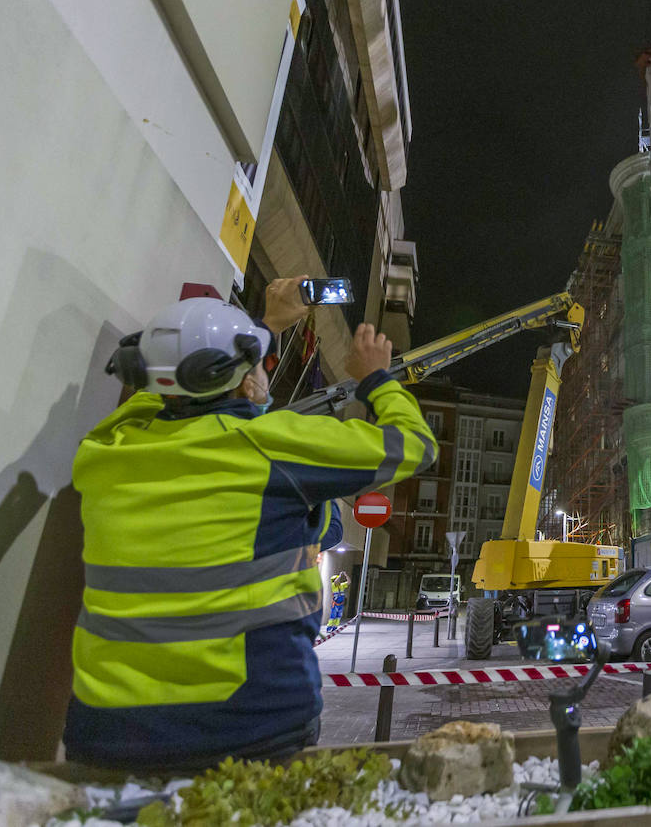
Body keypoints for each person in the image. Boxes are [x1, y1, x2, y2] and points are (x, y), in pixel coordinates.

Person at [63, 277, 436, 770]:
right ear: (243, 380)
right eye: (259, 363)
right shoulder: (271, 445)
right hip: (245, 728)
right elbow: (415, 445)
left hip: (106, 730)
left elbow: (162, 392)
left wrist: (263, 326)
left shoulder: (107, 450)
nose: (265, 372)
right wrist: (376, 378)